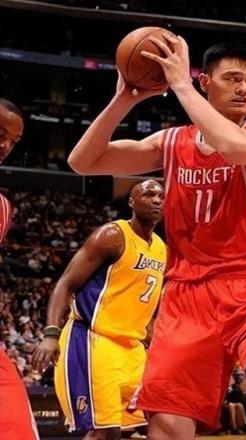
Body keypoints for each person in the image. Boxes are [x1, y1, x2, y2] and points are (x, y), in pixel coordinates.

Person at [68, 38, 246, 440]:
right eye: (233, 78)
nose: (244, 88)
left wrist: (181, 86)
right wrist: (124, 100)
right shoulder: (173, 142)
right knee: (168, 423)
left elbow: (235, 147)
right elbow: (83, 161)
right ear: (206, 81)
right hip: (188, 292)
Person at [32, 180, 167, 440]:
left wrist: (157, 345)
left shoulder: (162, 248)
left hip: (132, 347)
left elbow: (143, 308)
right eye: (149, 194)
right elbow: (65, 284)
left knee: (149, 424)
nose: (157, 200)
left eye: (161, 196)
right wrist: (51, 334)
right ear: (131, 202)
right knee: (106, 432)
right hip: (93, 341)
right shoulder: (112, 236)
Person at [0, 98, 40, 440]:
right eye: (0, 134)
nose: (5, 146)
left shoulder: (2, 208)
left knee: (18, 429)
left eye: (13, 141)